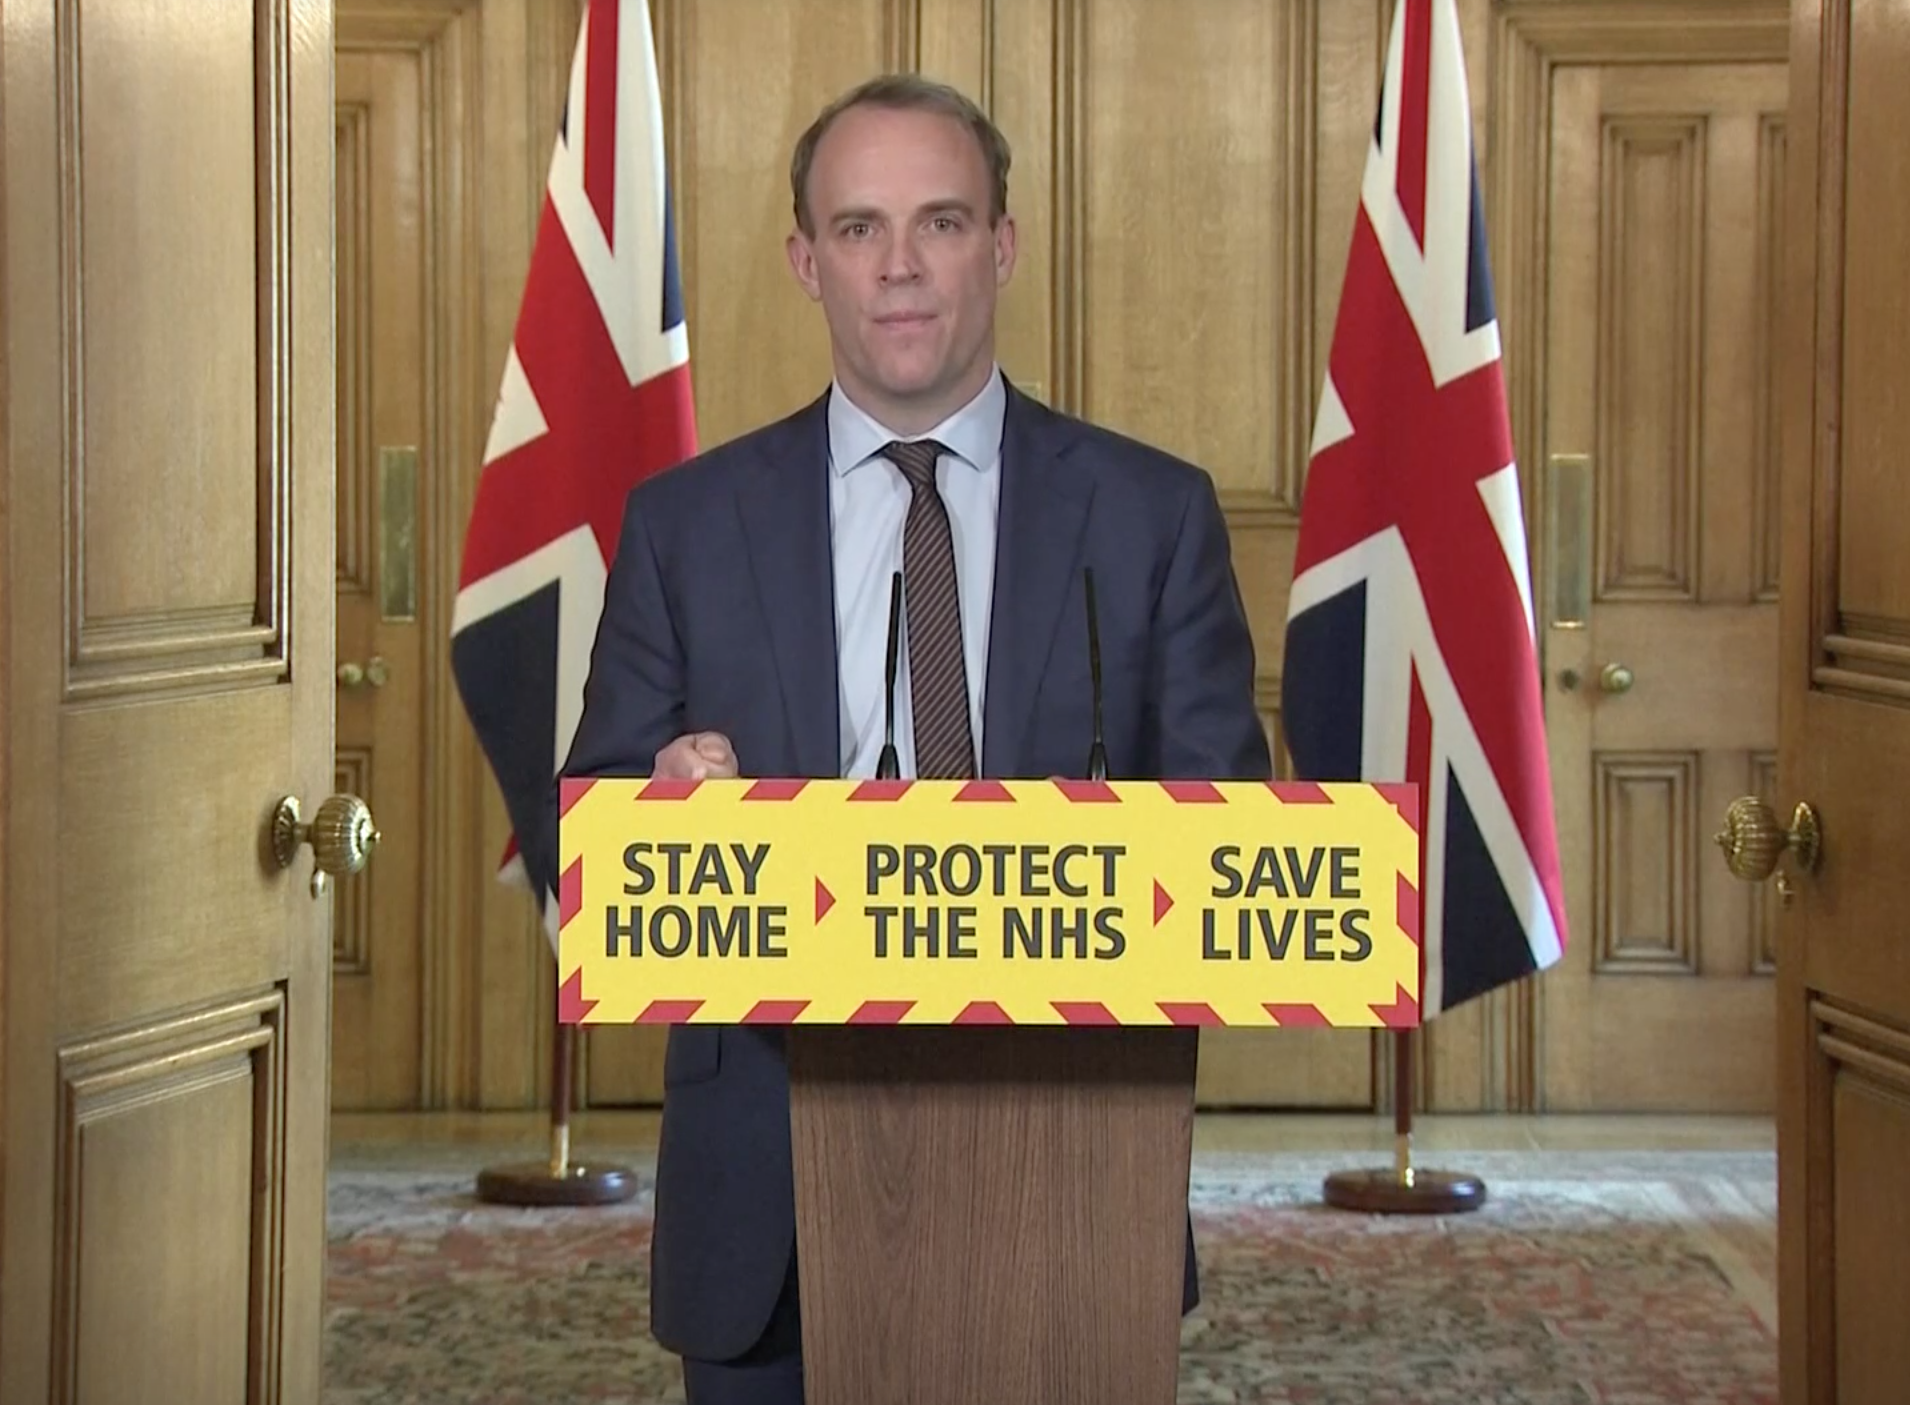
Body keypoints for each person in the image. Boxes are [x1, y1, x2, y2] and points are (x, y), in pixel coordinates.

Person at [555, 73, 1271, 1405]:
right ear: (803, 262)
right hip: (764, 1171)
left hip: (1067, 1166)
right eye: (857, 228)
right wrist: (651, 808)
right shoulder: (685, 524)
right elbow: (591, 817)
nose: (898, 267)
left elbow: (1235, 829)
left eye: (939, 224)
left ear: (999, 247)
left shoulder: (1148, 514)